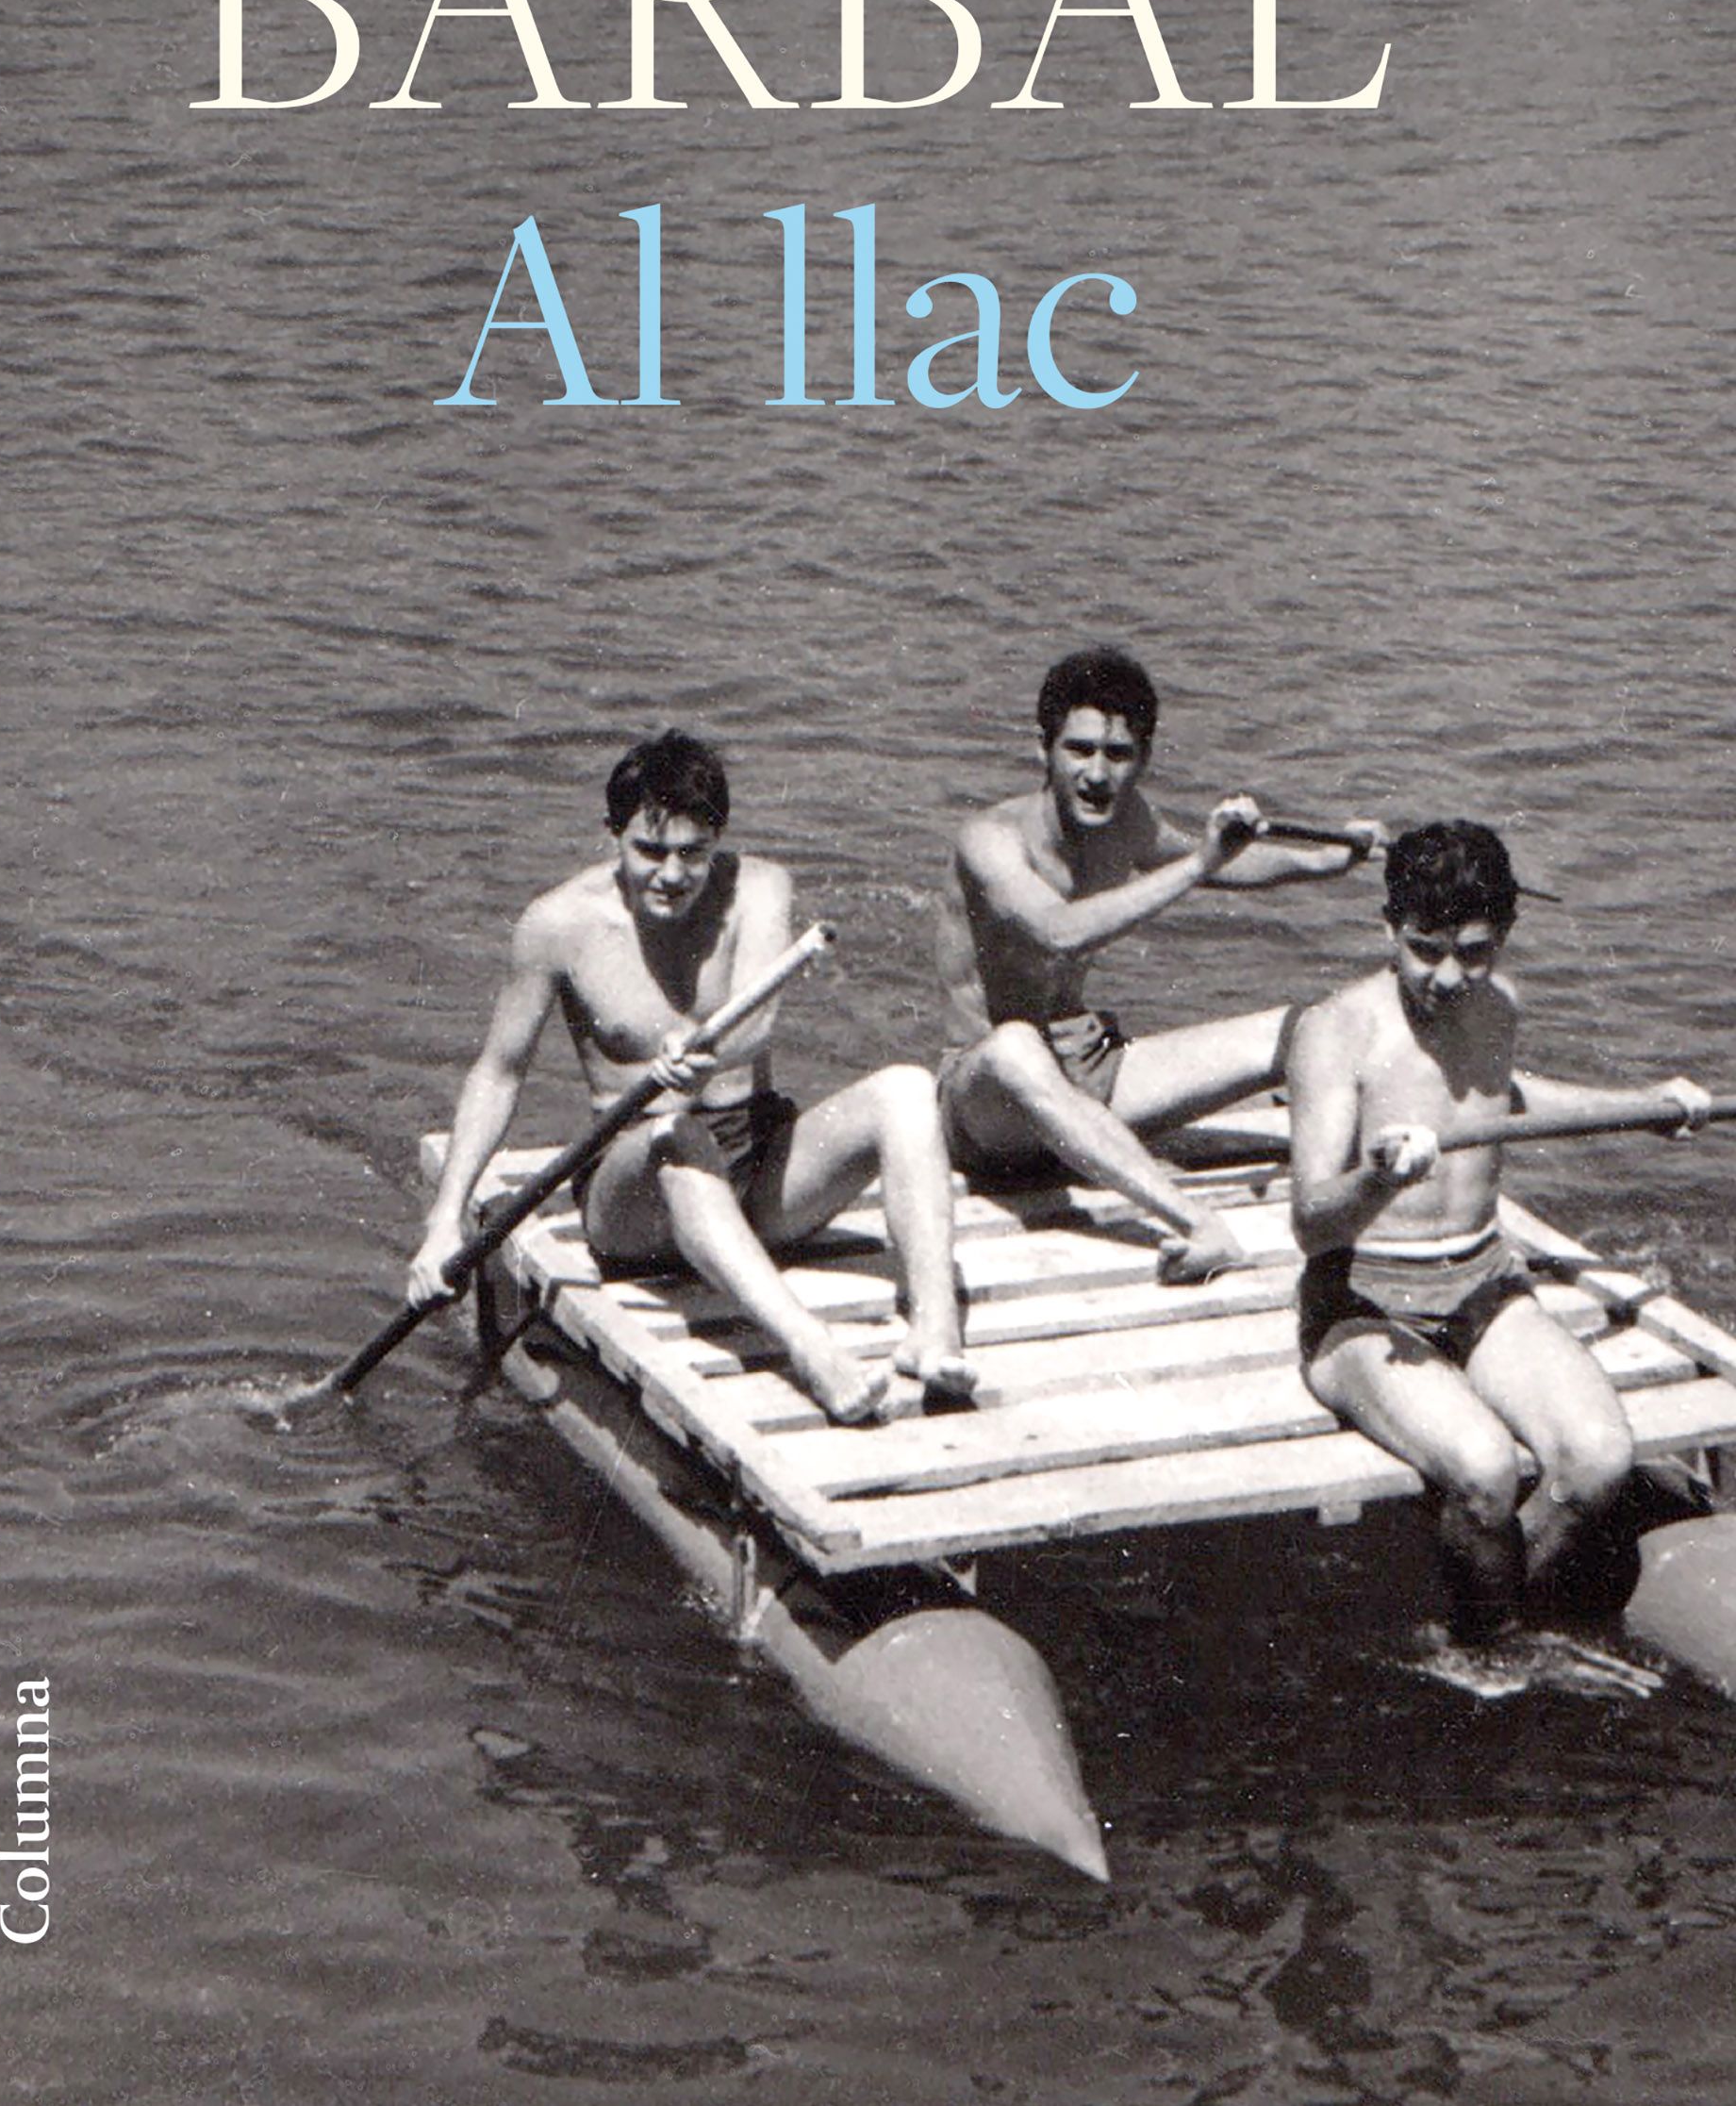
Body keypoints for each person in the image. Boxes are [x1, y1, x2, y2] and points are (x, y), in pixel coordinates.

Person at [409, 729, 971, 1423]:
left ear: (717, 841)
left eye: (692, 853)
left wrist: (709, 1054)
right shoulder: (556, 925)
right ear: (612, 836)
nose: (671, 875)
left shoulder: (759, 888)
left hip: (753, 1168)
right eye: (649, 851)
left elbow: (757, 1023)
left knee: (907, 1089)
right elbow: (499, 1073)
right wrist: (445, 1221)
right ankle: (812, 1349)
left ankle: (936, 1333)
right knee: (676, 1134)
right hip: (638, 1193)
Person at [1287, 819, 1710, 1646]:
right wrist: (1378, 1178)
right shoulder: (1334, 1031)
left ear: (1504, 938)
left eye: (1475, 952)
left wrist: (1646, 1106)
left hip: (1482, 1283)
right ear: (1387, 929)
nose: (1449, 977)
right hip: (1361, 1305)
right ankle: (1497, 1644)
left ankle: (1491, 1627)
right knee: (1484, 1468)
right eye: (1425, 950)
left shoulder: (1500, 1006)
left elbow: (1504, 1100)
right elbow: (1310, 1222)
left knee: (1598, 1458)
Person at [937, 643, 1383, 1279]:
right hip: (989, 1109)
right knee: (1014, 1046)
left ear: (1143, 759)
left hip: (1088, 1076)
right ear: (1043, 751)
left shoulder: (1129, 821)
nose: (1097, 774)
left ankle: (1345, 1196)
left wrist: (1324, 859)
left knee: (1306, 1028)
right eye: (1079, 750)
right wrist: (1201, 862)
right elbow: (1060, 931)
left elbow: (1218, 864)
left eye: (1118, 755)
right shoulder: (990, 840)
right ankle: (1198, 1224)